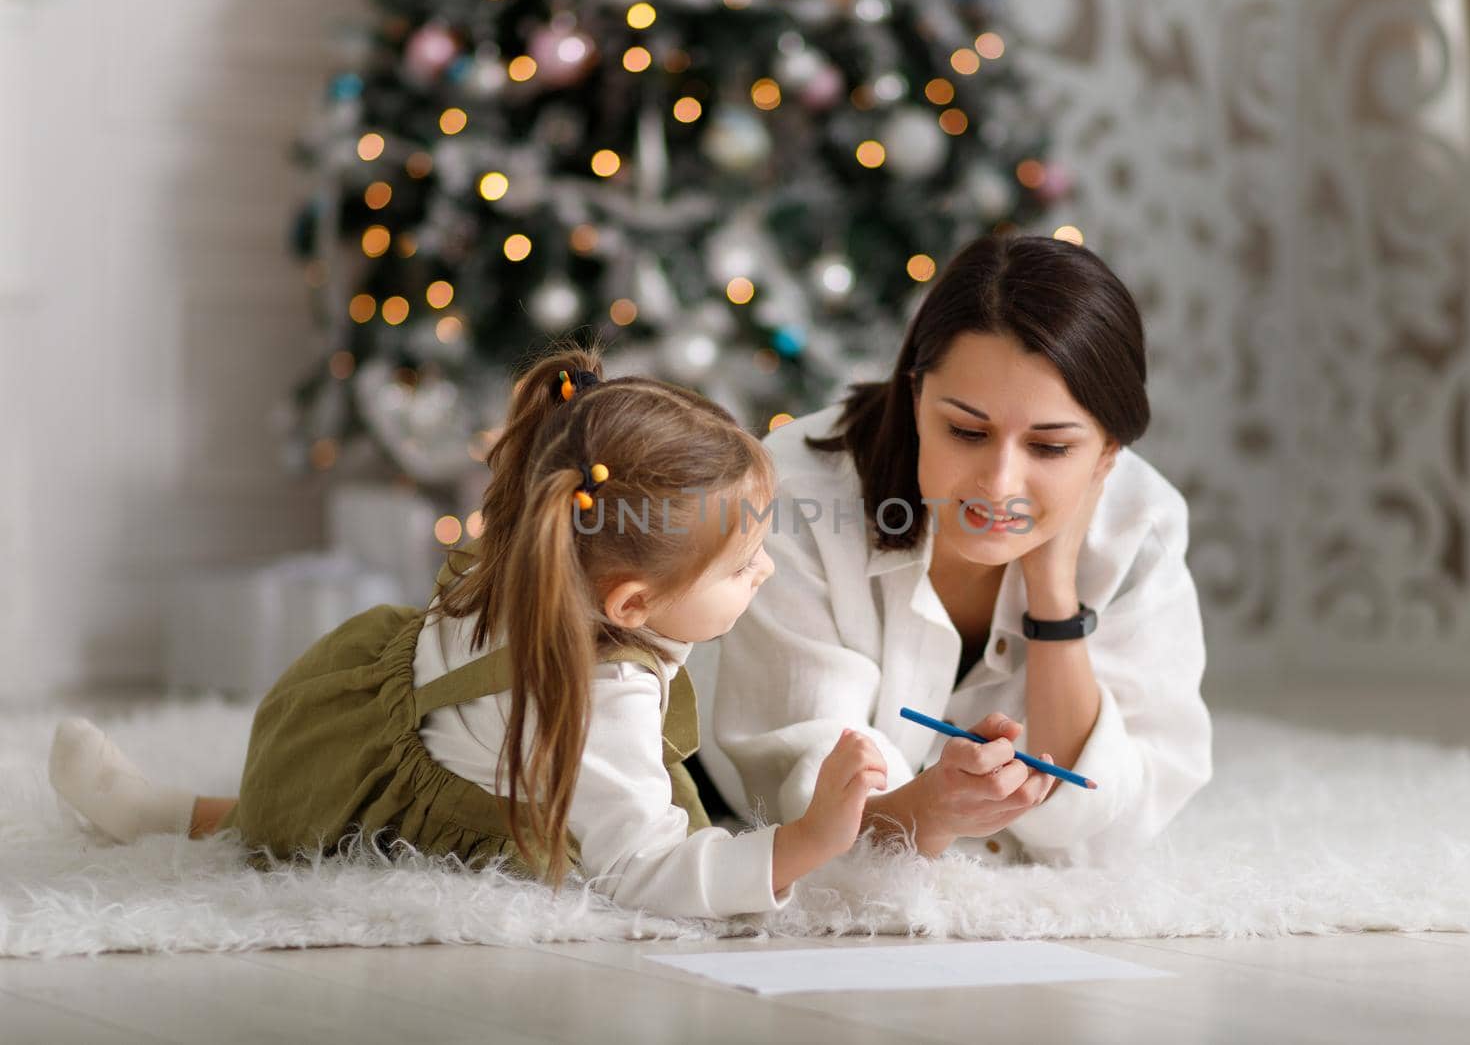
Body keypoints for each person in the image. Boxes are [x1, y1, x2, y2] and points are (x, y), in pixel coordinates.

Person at [49, 347, 887, 919]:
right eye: (744, 566)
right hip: (385, 794)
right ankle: (176, 815)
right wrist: (806, 841)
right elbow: (644, 866)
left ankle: (177, 810)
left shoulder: (536, 554)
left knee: (269, 815)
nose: (766, 572)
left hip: (378, 731)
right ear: (629, 605)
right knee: (273, 831)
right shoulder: (604, 697)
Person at [707, 233, 1212, 867]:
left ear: (1108, 450)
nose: (999, 483)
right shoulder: (793, 496)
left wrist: (1054, 588)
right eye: (967, 431)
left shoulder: (1142, 522)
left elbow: (1107, 827)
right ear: (916, 398)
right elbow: (807, 808)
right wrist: (930, 810)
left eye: (1050, 447)